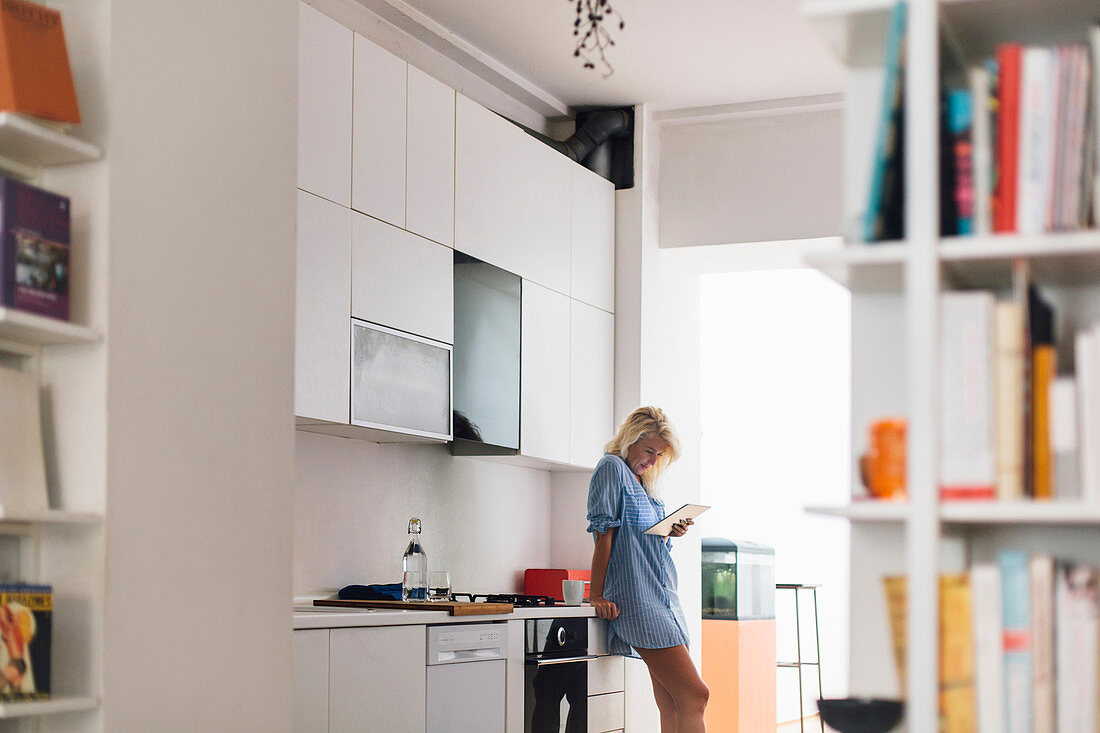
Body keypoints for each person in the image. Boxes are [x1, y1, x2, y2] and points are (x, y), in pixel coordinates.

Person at [586, 406, 709, 733]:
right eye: (649, 450)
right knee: (696, 695)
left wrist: (669, 531)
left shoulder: (642, 482)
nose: (653, 460)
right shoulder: (611, 468)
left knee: (672, 701)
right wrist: (595, 594)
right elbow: (604, 536)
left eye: (660, 454)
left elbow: (641, 543)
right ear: (630, 439)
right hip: (638, 601)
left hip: (663, 596)